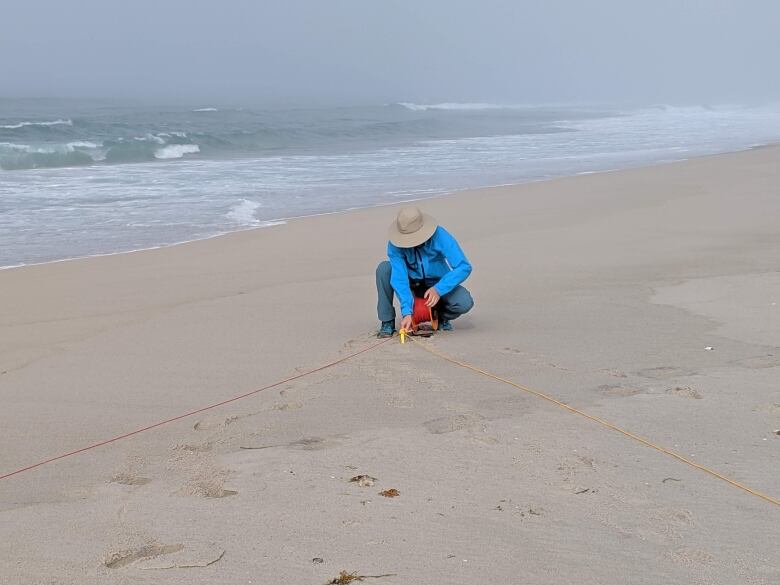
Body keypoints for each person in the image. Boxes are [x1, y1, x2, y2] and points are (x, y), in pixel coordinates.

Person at [376, 206, 474, 337]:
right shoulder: (394, 245)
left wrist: (439, 289)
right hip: (411, 283)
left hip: (437, 282)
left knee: (464, 302)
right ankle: (387, 321)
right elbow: (400, 278)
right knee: (384, 269)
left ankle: (441, 317)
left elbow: (464, 267)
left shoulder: (440, 235)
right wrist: (407, 312)